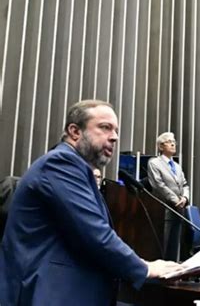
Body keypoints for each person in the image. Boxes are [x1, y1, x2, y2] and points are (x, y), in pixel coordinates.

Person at [0, 100, 184, 305]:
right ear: (75, 132)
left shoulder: (77, 169)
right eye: (105, 127)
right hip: (48, 294)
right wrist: (145, 268)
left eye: (116, 130)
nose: (114, 137)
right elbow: (95, 234)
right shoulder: (60, 163)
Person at [147, 132, 189, 262]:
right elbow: (159, 185)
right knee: (162, 246)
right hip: (163, 209)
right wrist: (175, 199)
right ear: (160, 146)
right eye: (169, 141)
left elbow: (185, 184)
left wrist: (185, 198)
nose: (173, 144)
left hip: (178, 210)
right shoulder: (154, 163)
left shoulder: (176, 165)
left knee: (175, 247)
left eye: (174, 141)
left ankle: (173, 273)